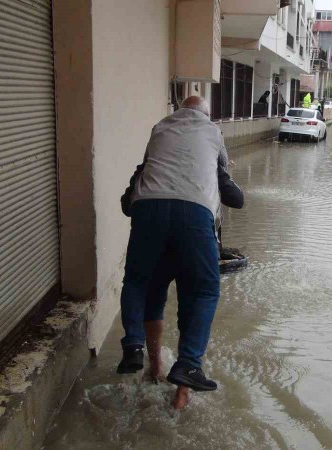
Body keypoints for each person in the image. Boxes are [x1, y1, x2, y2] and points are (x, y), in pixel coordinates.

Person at [118, 96, 243, 409]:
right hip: (195, 227)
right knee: (200, 295)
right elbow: (235, 197)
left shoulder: (160, 130)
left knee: (142, 286)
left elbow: (127, 202)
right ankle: (184, 379)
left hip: (150, 218)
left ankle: (142, 355)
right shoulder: (213, 134)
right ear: (205, 116)